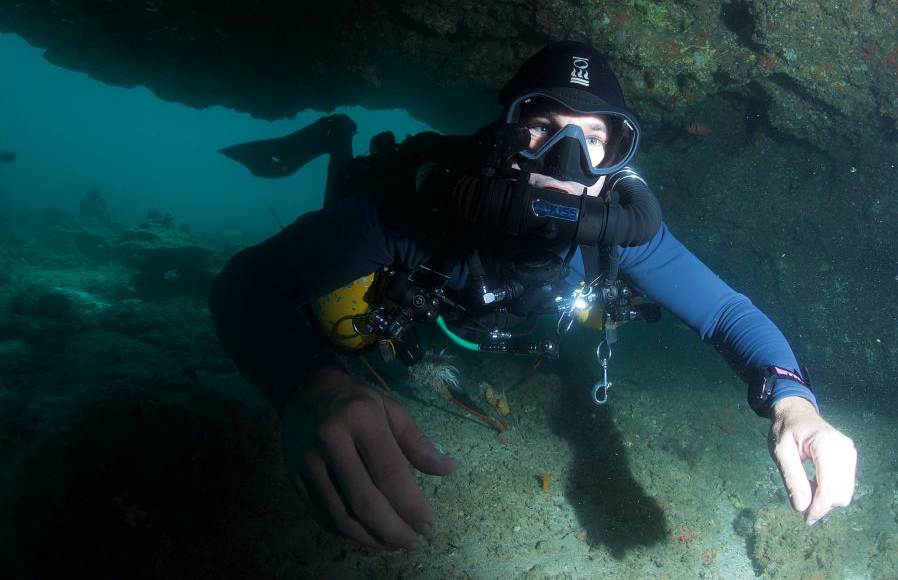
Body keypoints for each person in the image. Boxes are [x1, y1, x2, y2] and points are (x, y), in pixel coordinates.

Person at [211, 41, 857, 551]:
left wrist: (795, 404)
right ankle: (337, 140)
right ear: (504, 134)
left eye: (593, 138)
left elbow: (725, 311)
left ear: (617, 157)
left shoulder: (622, 235)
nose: (565, 161)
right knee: (338, 325)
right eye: (542, 127)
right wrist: (310, 383)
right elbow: (249, 281)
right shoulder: (420, 209)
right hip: (414, 283)